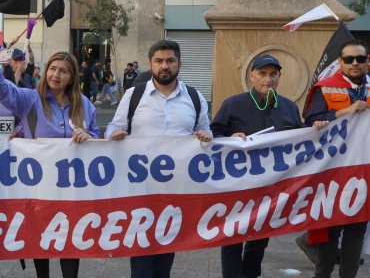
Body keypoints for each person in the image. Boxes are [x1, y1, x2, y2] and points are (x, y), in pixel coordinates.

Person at [210, 54, 327, 278]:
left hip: (271, 188)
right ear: (252, 76)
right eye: (262, 74)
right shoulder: (233, 104)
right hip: (238, 185)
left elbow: (300, 136)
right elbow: (213, 133)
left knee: (259, 239)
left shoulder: (288, 107)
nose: (268, 79)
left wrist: (316, 128)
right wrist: (230, 137)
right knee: (233, 238)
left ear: (279, 77)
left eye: (273, 74)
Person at [105, 39, 212, 278]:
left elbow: (206, 130)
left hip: (176, 190)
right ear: (151, 64)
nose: (165, 66)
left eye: (170, 61)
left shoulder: (194, 98)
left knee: (166, 249)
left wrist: (205, 136)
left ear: (179, 64)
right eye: (159, 61)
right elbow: (113, 126)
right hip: (139, 188)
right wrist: (113, 134)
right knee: (141, 252)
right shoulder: (134, 95)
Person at [0, 51, 99, 278]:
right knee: (40, 240)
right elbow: (3, 90)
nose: (56, 74)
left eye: (63, 71)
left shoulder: (84, 105)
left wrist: (88, 136)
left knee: (71, 243)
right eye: (52, 69)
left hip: (74, 190)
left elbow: (96, 137)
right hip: (38, 189)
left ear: (72, 77)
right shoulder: (28, 99)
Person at [304, 39, 370, 278]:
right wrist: (347, 111)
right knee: (328, 236)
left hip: (364, 173)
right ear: (340, 62)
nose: (355, 63)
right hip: (332, 172)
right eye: (349, 59)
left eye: (360, 59)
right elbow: (311, 121)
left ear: (367, 62)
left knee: (356, 233)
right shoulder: (325, 87)